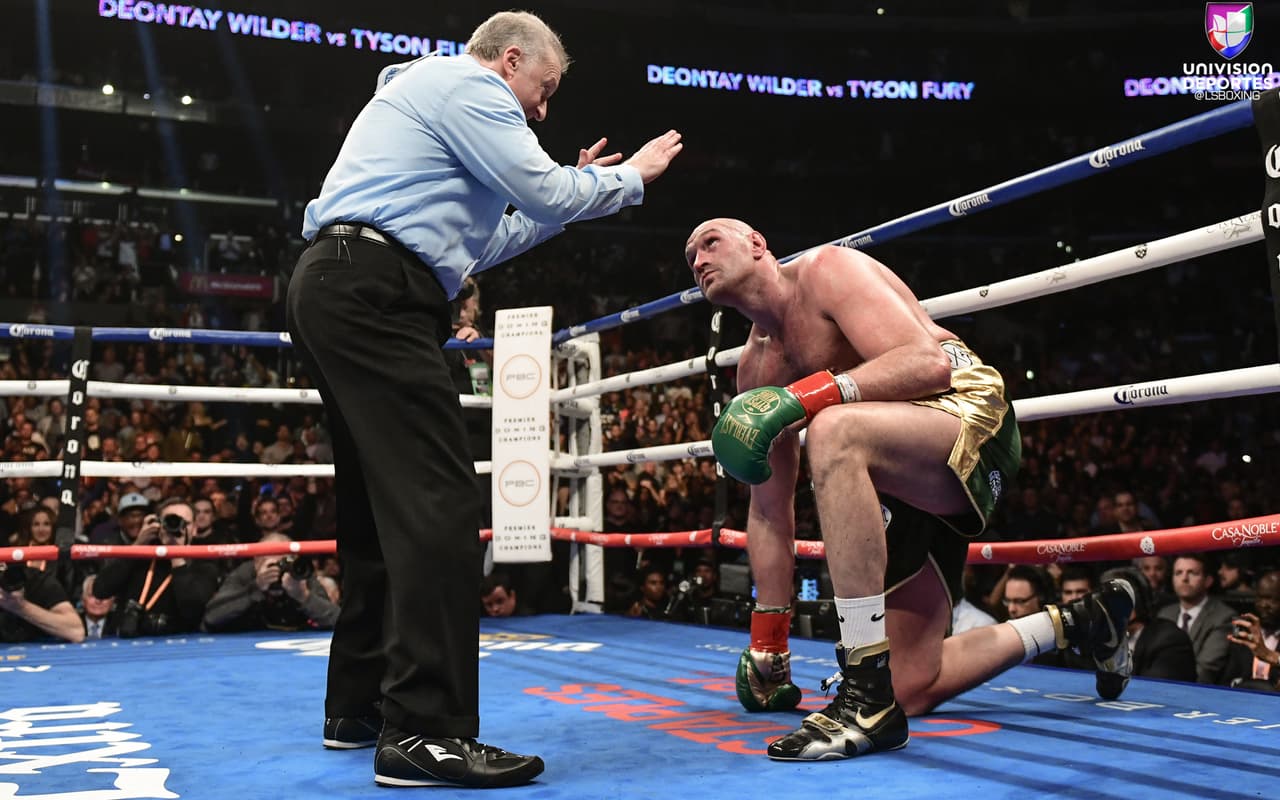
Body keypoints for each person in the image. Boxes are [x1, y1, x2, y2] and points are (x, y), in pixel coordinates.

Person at [286, 10, 682, 789]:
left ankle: (357, 706)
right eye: (544, 89)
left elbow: (494, 237)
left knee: (377, 509)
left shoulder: (435, 106)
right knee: (436, 504)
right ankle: (424, 730)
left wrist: (570, 196)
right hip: (375, 295)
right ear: (510, 60)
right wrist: (628, 176)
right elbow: (539, 184)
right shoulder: (467, 85)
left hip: (341, 285)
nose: (542, 108)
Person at [688, 218, 1137, 761]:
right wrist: (769, 643)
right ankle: (1085, 621)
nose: (698, 259)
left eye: (710, 242)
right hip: (892, 468)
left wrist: (808, 397)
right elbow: (768, 513)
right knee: (915, 684)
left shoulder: (829, 271)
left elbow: (927, 363)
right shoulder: (757, 370)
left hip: (961, 412)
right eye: (689, 256)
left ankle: (864, 697)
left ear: (758, 244)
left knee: (833, 427)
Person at [202, 533, 339, 633]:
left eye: (281, 562)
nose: (276, 570)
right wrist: (255, 589)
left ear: (294, 560)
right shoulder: (245, 573)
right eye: (269, 561)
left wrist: (304, 597)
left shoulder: (299, 574)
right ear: (256, 562)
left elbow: (338, 620)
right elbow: (211, 618)